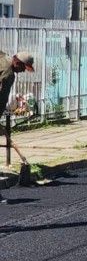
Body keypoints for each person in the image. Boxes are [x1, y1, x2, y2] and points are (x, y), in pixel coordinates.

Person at [0, 51, 33, 204]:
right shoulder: (7, 74)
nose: (22, 72)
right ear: (17, 62)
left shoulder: (3, 59)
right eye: (23, 68)